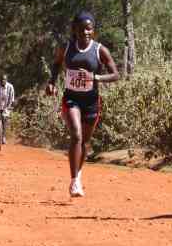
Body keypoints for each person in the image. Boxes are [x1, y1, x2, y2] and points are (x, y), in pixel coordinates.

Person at [46, 11, 120, 197]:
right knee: (76, 136)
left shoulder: (99, 50)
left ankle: (78, 175)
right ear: (74, 30)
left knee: (85, 142)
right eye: (82, 29)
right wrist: (52, 82)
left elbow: (116, 74)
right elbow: (56, 64)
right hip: (71, 98)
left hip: (91, 101)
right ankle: (73, 181)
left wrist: (96, 77)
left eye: (89, 29)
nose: (86, 32)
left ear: (93, 30)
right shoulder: (67, 47)